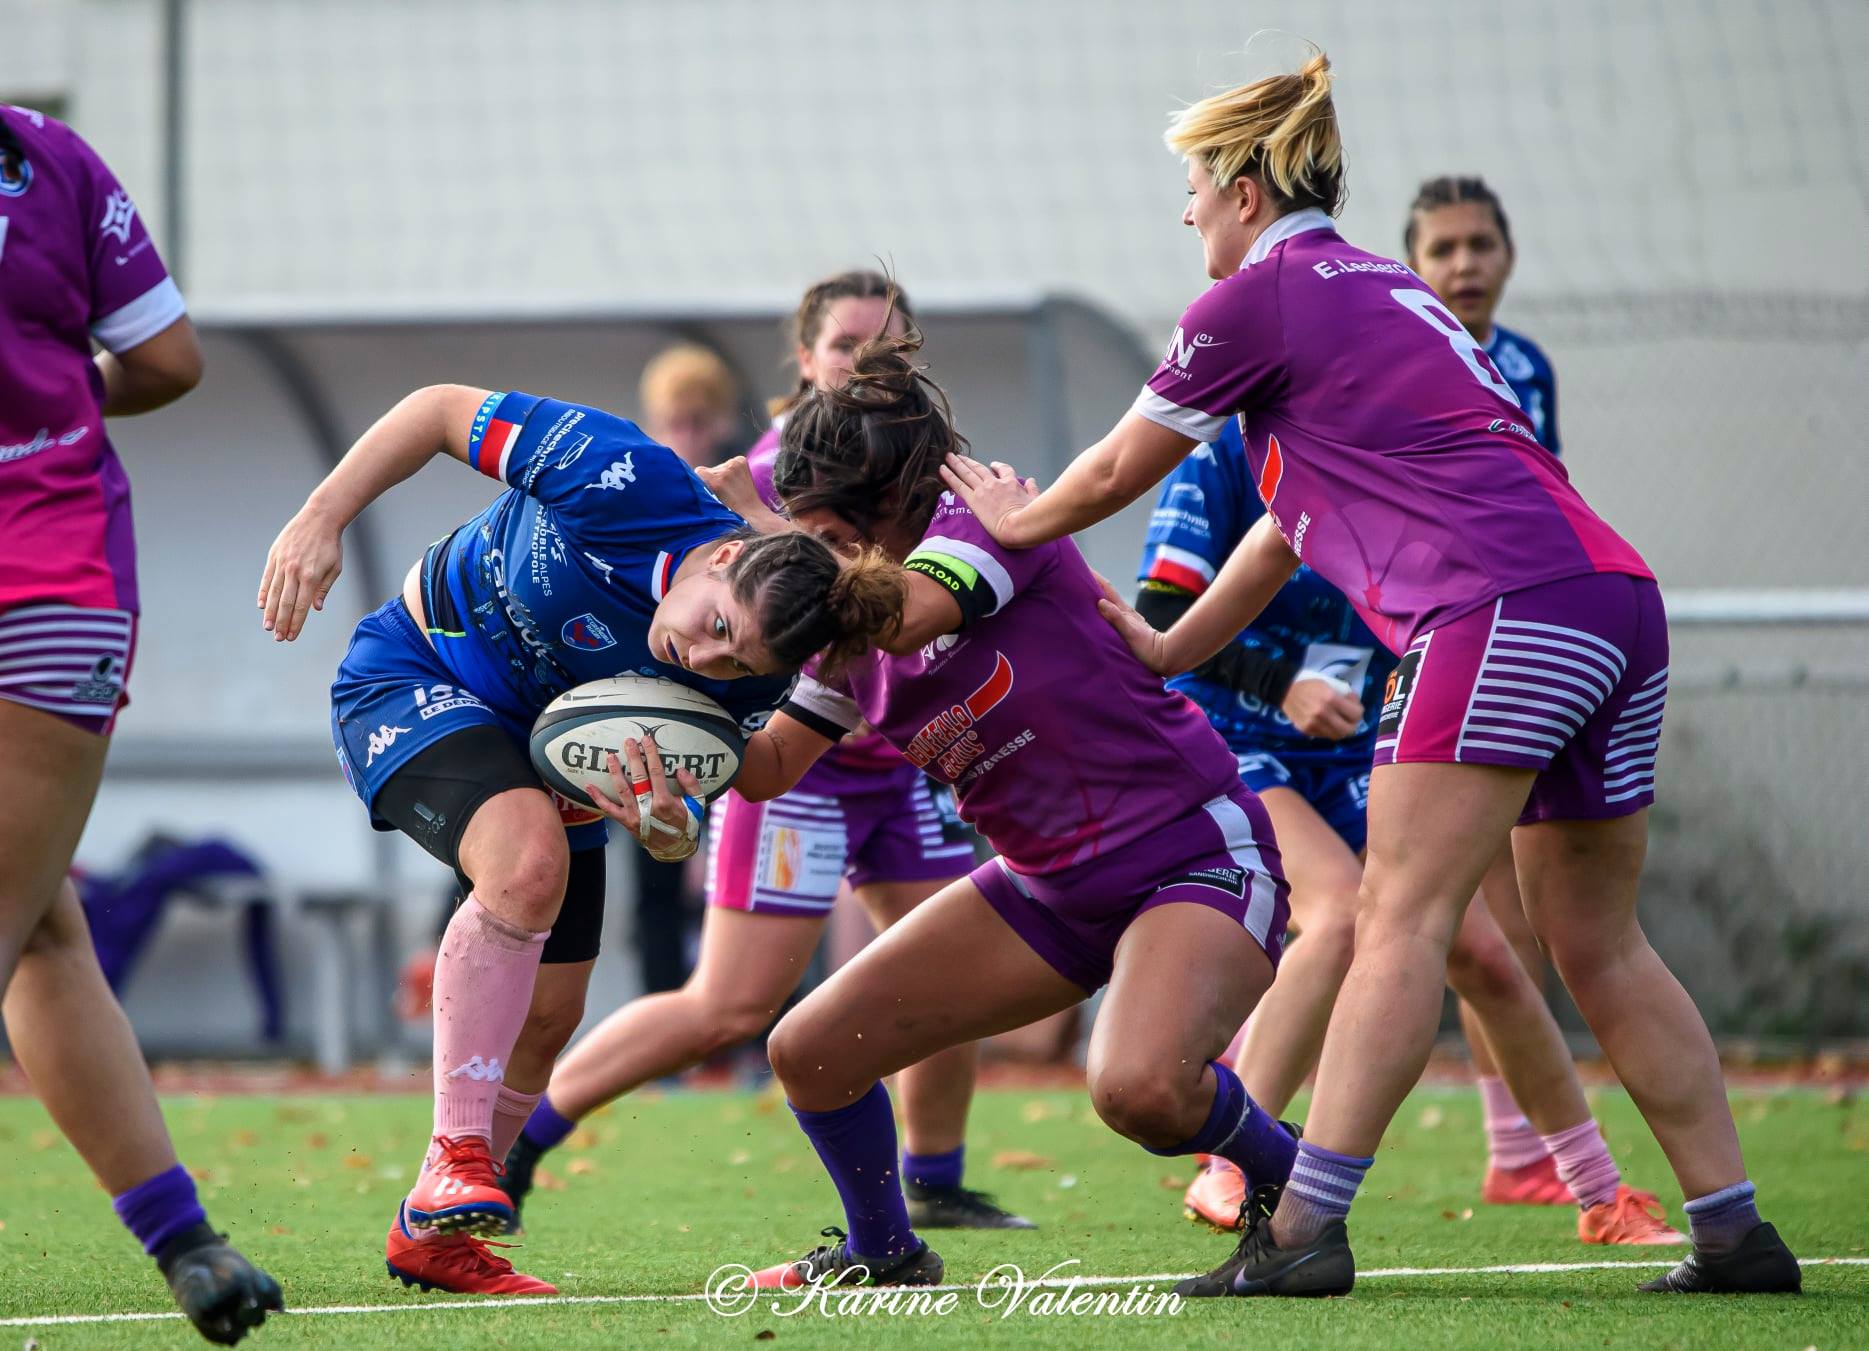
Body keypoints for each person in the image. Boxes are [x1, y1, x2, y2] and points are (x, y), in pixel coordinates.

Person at [943, 50, 1799, 1297]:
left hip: (1493, 612)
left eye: (1191, 187)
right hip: (1614, 604)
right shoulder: (1388, 290)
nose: (1185, 214)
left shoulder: (1255, 297)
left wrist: (1017, 524)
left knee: (1394, 922)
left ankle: (1302, 1234)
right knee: (1600, 942)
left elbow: (1120, 466)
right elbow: (1291, 520)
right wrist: (1178, 647)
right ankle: (1735, 1232)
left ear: (1243, 187)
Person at [598, 333, 1297, 1290]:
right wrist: (666, 774)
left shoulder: (985, 523)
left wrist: (760, 525)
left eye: (830, 537)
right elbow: (765, 767)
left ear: (889, 508)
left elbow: (899, 616)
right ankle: (883, 1251)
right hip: (1046, 893)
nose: (818, 559)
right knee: (809, 1049)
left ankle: (1292, 1178)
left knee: (1135, 1088)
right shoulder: (839, 620)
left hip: (1191, 858)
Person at [260, 382, 900, 1296]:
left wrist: (672, 823)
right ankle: (453, 1157)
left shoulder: (752, 681)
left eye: (738, 661)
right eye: (716, 626)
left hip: (550, 760)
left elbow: (749, 768)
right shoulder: (621, 475)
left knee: (551, 1015)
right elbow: (439, 410)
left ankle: (431, 1231)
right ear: (722, 553)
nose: (705, 658)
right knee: (529, 864)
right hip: (413, 672)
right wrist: (320, 518)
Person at [501, 272, 1027, 1231]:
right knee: (730, 1007)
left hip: (901, 768)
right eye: (846, 348)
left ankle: (936, 1180)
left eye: (889, 348)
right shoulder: (784, 466)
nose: (866, 365)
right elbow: (844, 614)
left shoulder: (927, 467)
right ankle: (520, 1140)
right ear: (804, 358)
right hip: (802, 768)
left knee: (944, 973)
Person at [1144, 423, 1680, 1247]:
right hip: (1233, 739)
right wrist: (1282, 684)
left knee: (1488, 956)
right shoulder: (1221, 455)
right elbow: (1158, 612)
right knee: (1333, 918)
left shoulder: (1408, 449)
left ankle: (1600, 1192)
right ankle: (1229, 1164)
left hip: (1361, 745)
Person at [0, 107, 284, 1344]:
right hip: (48, 580)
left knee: (39, 923)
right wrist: (57, 382)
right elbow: (166, 360)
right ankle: (189, 1245)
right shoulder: (46, 156)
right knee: (29, 921)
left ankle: (185, 1239)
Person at [629, 344, 746, 999]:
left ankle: (749, 1031)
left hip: (723, 713)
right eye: (675, 421)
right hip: (647, 713)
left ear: (722, 421)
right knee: (655, 878)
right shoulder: (637, 501)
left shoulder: (737, 505)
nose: (688, 435)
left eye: (699, 420)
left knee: (733, 877)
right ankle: (661, 1019)